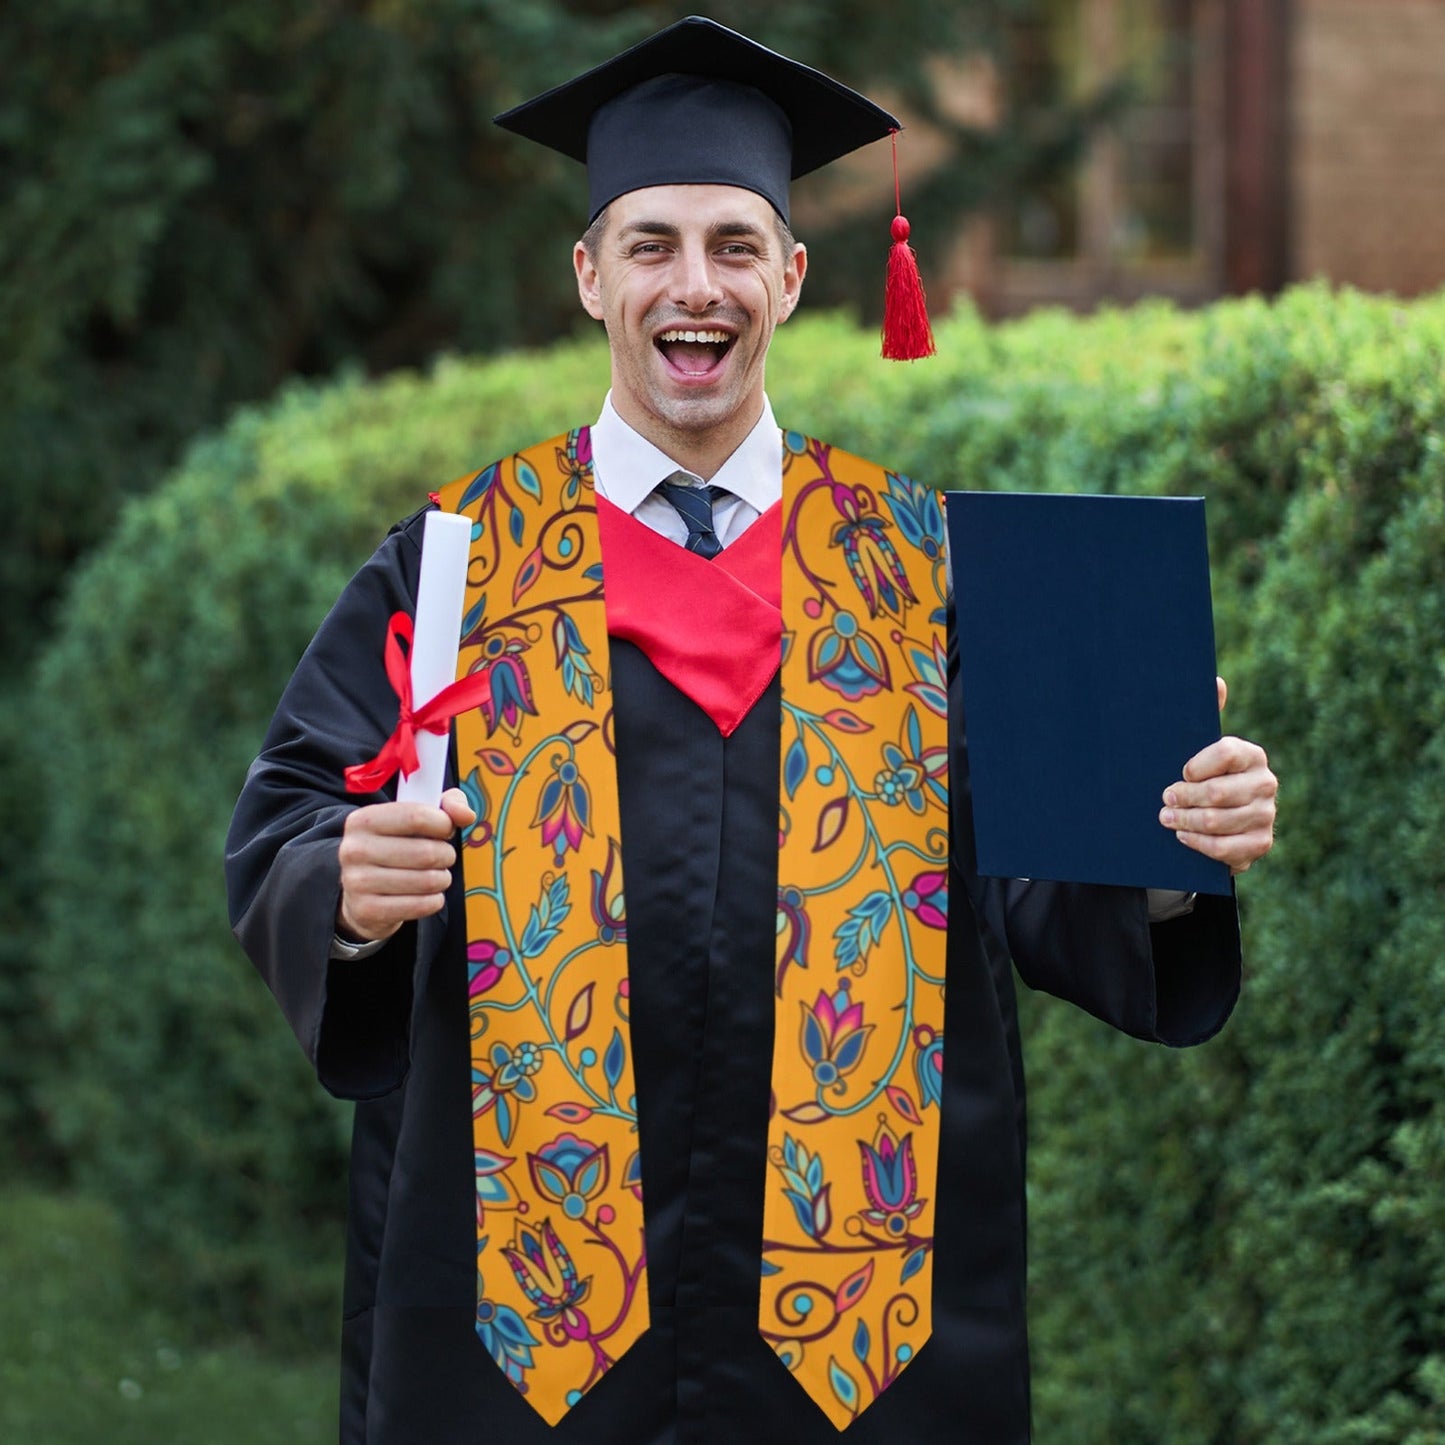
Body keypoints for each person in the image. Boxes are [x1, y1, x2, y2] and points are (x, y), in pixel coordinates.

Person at [225, 17, 1277, 1445]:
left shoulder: (928, 571)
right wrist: (342, 888)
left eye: (732, 244)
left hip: (861, 1323)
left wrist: (1166, 844)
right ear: (589, 275)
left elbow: (1039, 883)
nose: (692, 285)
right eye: (650, 244)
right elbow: (289, 818)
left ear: (789, 275)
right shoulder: (462, 565)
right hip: (527, 1321)